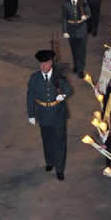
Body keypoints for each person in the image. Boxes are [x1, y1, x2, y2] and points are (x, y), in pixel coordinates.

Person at [27, 50, 73, 180]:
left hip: (58, 114)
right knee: (46, 140)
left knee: (59, 142)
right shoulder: (34, 78)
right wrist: (31, 114)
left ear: (51, 63)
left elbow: (69, 89)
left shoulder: (59, 77)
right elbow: (30, 95)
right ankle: (49, 162)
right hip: (42, 114)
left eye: (46, 64)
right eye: (41, 64)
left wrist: (63, 95)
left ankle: (59, 168)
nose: (43, 67)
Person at [62, 0, 91, 78]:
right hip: (71, 29)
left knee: (81, 51)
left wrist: (85, 16)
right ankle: (76, 65)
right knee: (74, 49)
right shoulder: (66, 4)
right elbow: (64, 18)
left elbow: (89, 13)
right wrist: (65, 31)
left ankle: (81, 69)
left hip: (81, 29)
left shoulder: (83, 2)